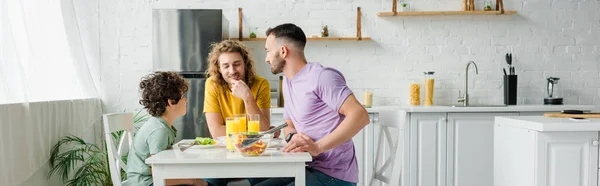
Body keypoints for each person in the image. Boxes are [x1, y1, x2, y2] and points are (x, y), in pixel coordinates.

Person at [256, 23, 370, 186]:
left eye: (268, 51)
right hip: (305, 167)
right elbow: (289, 124)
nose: (266, 58)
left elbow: (360, 116)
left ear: (283, 51)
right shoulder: (288, 81)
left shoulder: (321, 76)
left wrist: (317, 147)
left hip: (333, 175)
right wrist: (292, 136)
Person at [203, 40, 276, 186]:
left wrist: (247, 97)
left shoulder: (261, 84)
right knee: (210, 181)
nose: (232, 71)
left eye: (237, 64)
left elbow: (262, 129)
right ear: (218, 68)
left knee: (262, 181)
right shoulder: (213, 84)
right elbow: (217, 132)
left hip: (253, 153)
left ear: (245, 64)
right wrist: (255, 132)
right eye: (226, 66)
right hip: (224, 153)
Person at [126, 71, 207, 186]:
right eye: (183, 97)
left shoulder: (161, 125)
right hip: (146, 183)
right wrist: (192, 181)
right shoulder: (159, 132)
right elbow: (159, 177)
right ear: (171, 102)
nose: (186, 100)